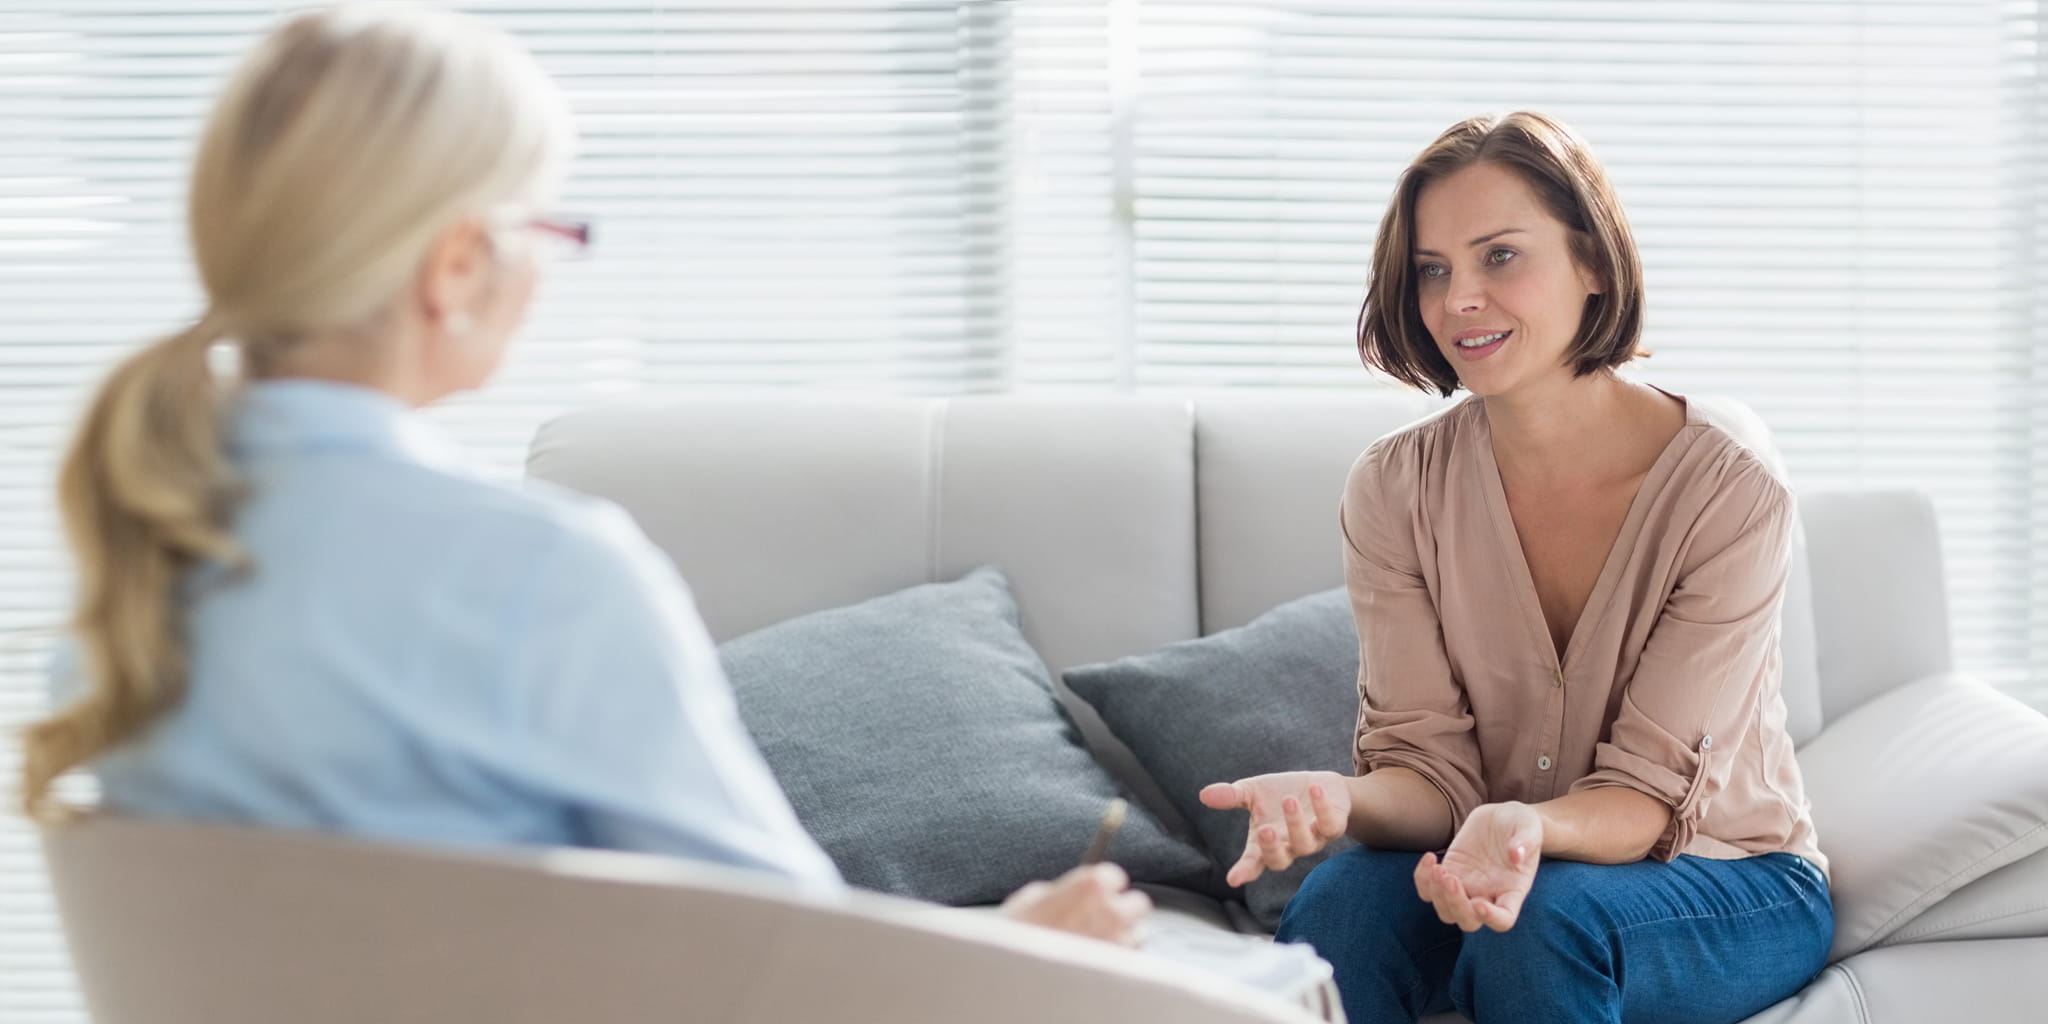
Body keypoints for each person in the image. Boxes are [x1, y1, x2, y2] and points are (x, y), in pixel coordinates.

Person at [18, 4, 1146, 948]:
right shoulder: (537, 575)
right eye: (546, 225)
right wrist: (1020, 952)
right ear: (458, 264)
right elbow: (781, 972)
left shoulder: (134, 580)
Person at [1199, 112, 1834, 1023]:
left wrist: (1532, 827)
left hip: (1725, 876)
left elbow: (1648, 800)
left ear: (1594, 263)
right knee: (1341, 906)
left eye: (1499, 256)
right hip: (1493, 860)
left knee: (1541, 921)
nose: (1460, 298)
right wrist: (1339, 799)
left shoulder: (1729, 491)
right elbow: (1429, 774)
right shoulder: (1394, 488)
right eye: (1433, 269)